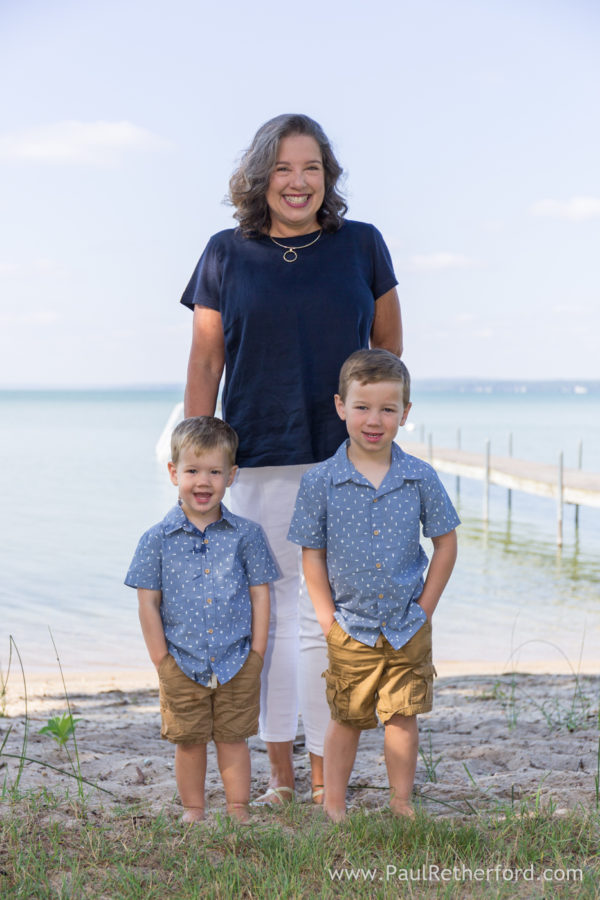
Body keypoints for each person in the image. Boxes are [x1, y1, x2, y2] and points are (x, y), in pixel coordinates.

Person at [180, 113, 402, 806]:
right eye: (282, 168)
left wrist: (380, 442)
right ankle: (278, 779)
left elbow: (387, 353)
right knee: (266, 618)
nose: (297, 182)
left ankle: (319, 776)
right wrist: (196, 455)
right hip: (255, 461)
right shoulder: (224, 252)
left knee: (322, 616)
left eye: (311, 168)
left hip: (343, 463)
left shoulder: (362, 246)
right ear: (260, 177)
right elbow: (207, 358)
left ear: (327, 178)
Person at [288, 349, 460, 821]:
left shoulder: (420, 476)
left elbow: (446, 544)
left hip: (408, 623)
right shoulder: (320, 480)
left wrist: (426, 607)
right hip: (350, 625)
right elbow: (312, 556)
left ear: (405, 414)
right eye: (363, 407)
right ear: (341, 406)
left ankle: (401, 802)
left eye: (388, 409)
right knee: (347, 717)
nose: (374, 419)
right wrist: (328, 621)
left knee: (403, 716)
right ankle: (336, 804)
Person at [125, 417, 279, 823]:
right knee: (189, 742)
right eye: (193, 470)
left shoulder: (247, 535)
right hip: (180, 661)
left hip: (238, 660)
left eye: (214, 471)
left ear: (232, 475)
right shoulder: (155, 539)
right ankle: (194, 809)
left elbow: (260, 595)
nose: (203, 481)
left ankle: (237, 808)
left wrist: (257, 654)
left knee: (233, 739)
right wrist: (162, 662)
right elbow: (147, 604)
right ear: (174, 472)